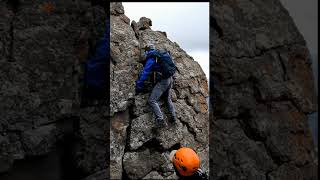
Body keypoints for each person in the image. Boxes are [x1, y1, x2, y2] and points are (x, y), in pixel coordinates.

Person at [135, 43, 177, 128]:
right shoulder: (161, 54)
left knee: (152, 100)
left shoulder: (152, 58)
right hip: (170, 78)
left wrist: (139, 85)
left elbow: (145, 73)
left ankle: (160, 120)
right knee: (167, 98)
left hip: (163, 81)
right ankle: (173, 116)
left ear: (147, 51)